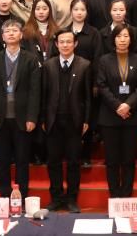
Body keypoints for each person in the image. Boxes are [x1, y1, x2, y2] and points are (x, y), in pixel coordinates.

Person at [0, 20, 41, 200]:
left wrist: (32, 117)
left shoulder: (31, 59)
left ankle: (21, 195)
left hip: (22, 117)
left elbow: (35, 91)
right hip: (0, 117)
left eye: (14, 30)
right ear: (2, 36)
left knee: (22, 159)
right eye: (7, 31)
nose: (11, 33)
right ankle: (4, 194)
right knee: (3, 160)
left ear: (21, 35)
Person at [95, 24, 137, 198]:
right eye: (119, 36)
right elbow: (101, 85)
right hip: (110, 116)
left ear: (131, 39)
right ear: (113, 39)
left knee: (128, 160)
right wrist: (117, 106)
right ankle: (114, 195)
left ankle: (126, 194)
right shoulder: (104, 60)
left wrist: (128, 105)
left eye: (126, 36)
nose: (122, 40)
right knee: (112, 160)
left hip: (132, 116)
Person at [43, 30, 92, 213]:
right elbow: (43, 95)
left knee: (73, 162)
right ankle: (56, 197)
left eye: (69, 42)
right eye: (61, 42)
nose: (65, 45)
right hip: (53, 120)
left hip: (75, 121)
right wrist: (43, 118)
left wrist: (86, 119)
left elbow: (88, 97)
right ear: (56, 44)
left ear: (75, 44)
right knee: (53, 161)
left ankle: (72, 198)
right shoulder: (48, 65)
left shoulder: (84, 65)